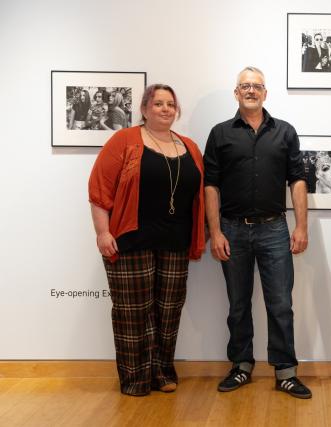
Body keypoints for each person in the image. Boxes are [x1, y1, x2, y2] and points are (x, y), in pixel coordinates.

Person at [88, 84, 205, 396]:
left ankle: (162, 372)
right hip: (130, 239)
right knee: (133, 311)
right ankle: (135, 379)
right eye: (158, 104)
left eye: (170, 104)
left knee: (168, 310)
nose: (165, 109)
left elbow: (199, 196)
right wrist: (103, 232)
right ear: (144, 109)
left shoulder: (190, 147)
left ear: (176, 110)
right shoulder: (124, 140)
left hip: (175, 240)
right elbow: (100, 190)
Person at [203, 66, 312, 399]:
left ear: (266, 93)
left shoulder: (285, 132)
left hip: (275, 230)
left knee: (280, 304)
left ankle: (286, 372)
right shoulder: (220, 134)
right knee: (238, 304)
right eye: (245, 86)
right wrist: (215, 231)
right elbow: (210, 186)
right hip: (232, 231)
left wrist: (301, 226)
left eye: (257, 86)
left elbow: (297, 180)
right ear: (236, 93)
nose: (251, 90)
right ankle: (241, 366)